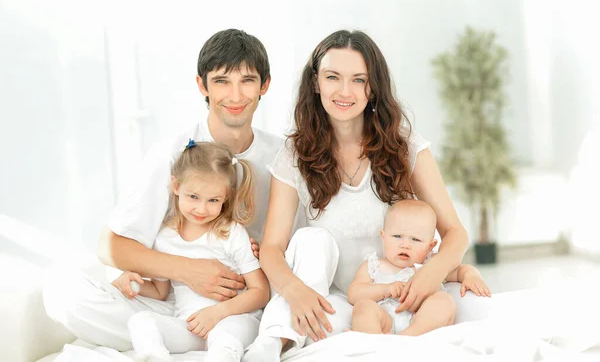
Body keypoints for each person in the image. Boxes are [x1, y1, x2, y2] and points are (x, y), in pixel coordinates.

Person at [43, 29, 302, 351]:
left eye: (247, 80)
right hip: (180, 300)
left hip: (252, 300)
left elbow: (300, 243)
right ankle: (188, 335)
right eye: (222, 81)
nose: (235, 96)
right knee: (63, 293)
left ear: (265, 85)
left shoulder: (283, 155)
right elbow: (112, 247)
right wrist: (190, 270)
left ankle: (238, 334)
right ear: (201, 85)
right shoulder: (173, 152)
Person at [243, 29, 470, 362]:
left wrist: (431, 274)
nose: (344, 91)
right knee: (313, 299)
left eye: (358, 80)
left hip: (405, 293)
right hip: (338, 301)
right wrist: (295, 291)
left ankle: (399, 342)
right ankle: (275, 345)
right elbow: (273, 248)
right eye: (333, 77)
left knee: (467, 308)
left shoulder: (404, 145)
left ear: (373, 86)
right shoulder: (294, 154)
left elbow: (456, 234)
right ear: (316, 82)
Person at [111, 141, 269, 362]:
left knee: (223, 338)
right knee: (141, 321)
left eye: (213, 200)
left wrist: (217, 314)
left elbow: (260, 291)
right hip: (191, 325)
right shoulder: (165, 238)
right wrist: (132, 283)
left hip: (235, 320)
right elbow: (160, 292)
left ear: (226, 198)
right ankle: (153, 358)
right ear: (176, 186)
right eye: (193, 197)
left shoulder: (231, 233)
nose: (202, 209)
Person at [348, 199, 490, 336]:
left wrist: (472, 276)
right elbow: (354, 293)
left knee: (444, 301)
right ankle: (371, 341)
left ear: (430, 246)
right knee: (363, 307)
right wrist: (385, 289)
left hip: (421, 322)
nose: (405, 244)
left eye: (415, 239)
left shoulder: (431, 265)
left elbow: (460, 270)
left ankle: (408, 337)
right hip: (384, 321)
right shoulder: (374, 265)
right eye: (397, 236)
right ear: (383, 237)